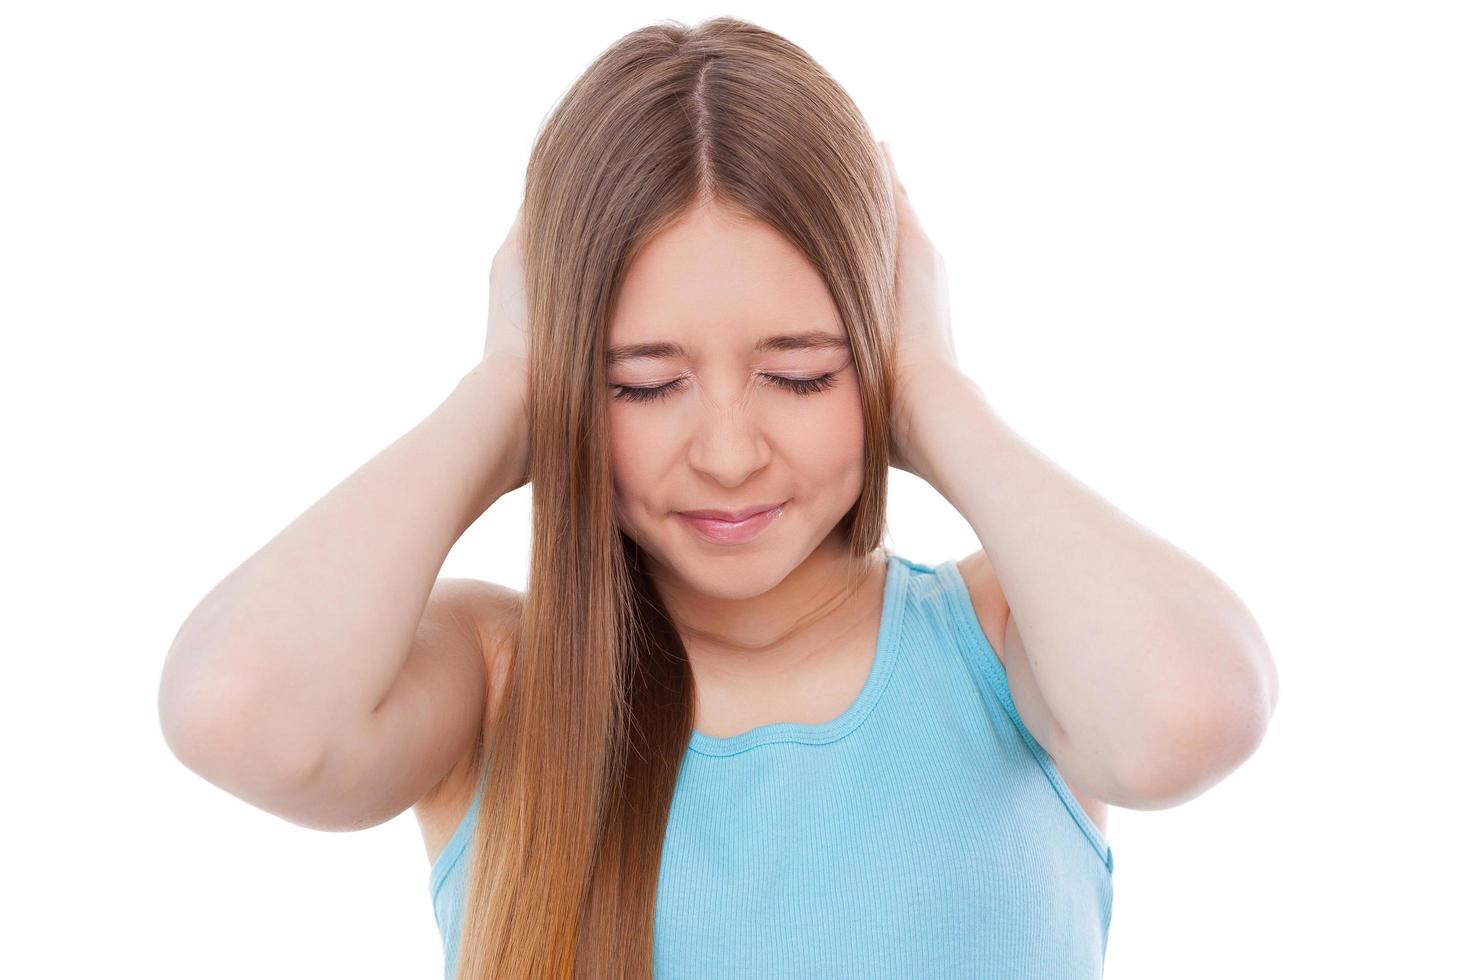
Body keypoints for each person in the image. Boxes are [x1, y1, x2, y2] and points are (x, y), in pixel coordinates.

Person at [157, 16, 1278, 980]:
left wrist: (935, 392)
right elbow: (238, 708)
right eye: (643, 383)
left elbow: (1194, 708)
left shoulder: (1003, 645)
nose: (731, 453)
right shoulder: (501, 678)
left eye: (802, 372)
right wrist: (505, 392)